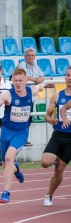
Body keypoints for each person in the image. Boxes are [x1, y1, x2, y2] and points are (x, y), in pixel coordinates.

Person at [0, 68, 53, 204]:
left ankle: (6, 192)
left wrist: (46, 84)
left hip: (21, 133)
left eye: (20, 80)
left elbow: (40, 86)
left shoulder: (31, 91)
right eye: (15, 81)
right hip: (6, 132)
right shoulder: (8, 94)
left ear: (25, 81)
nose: (18, 83)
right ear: (12, 81)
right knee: (6, 164)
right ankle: (17, 168)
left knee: (9, 157)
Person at [41, 68, 71, 206]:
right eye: (68, 75)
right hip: (58, 134)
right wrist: (51, 120)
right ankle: (56, 157)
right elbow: (47, 115)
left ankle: (49, 195)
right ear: (65, 77)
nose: (69, 78)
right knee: (45, 162)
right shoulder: (57, 96)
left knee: (59, 169)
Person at [18, 48, 45, 147]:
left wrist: (39, 79)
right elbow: (22, 76)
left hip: (32, 96)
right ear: (25, 56)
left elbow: (42, 77)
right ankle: (21, 139)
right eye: (28, 55)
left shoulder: (36, 66)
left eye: (32, 55)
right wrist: (34, 79)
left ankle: (24, 138)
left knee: (28, 118)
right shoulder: (22, 64)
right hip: (22, 95)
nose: (30, 57)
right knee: (22, 118)